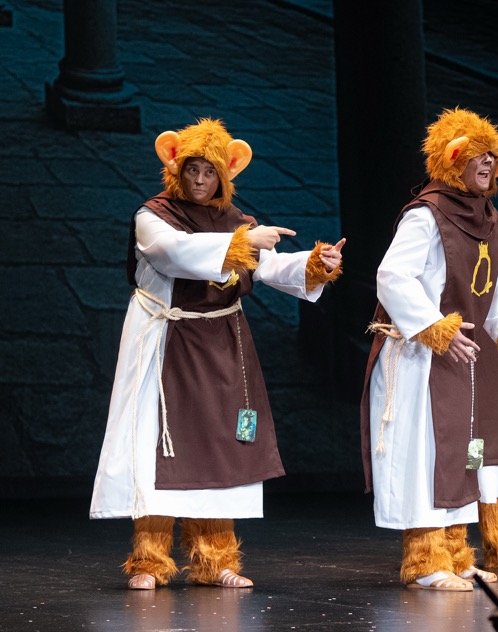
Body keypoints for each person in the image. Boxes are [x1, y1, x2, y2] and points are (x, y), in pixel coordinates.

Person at [90, 117, 345, 590]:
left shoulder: (237, 221)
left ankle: (216, 560)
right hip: (166, 343)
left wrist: (314, 263)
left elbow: (270, 266)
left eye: (210, 174)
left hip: (223, 344)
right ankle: (149, 561)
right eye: (192, 172)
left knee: (219, 448)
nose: (201, 182)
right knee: (158, 447)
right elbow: (175, 253)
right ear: (176, 170)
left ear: (225, 176)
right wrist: (245, 241)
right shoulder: (154, 216)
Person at [360, 106, 498, 592]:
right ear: (452, 162)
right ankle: (425, 561)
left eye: (492, 156)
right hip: (422, 355)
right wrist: (433, 327)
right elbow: (392, 276)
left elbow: (497, 283)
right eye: (476, 156)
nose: (487, 164)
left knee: (469, 455)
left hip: (467, 357)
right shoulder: (427, 215)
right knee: (428, 456)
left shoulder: (488, 217)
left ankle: (458, 554)